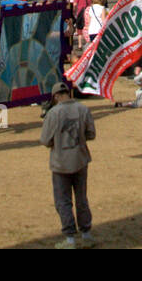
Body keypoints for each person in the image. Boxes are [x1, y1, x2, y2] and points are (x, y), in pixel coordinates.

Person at [40, 82, 97, 249]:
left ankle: (70, 238)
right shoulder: (83, 110)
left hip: (60, 161)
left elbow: (45, 140)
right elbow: (91, 134)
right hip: (80, 158)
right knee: (81, 198)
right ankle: (86, 234)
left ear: (56, 96)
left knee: (63, 200)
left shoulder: (53, 114)